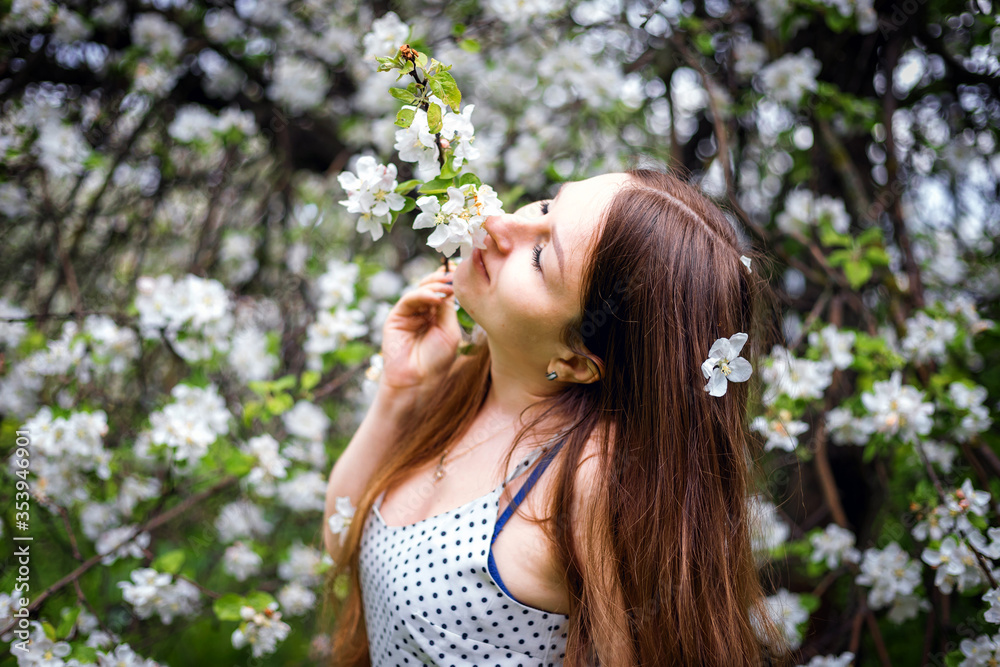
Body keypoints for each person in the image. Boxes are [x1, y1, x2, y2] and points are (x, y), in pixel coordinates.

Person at [322, 168, 792, 666]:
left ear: (575, 362)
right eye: (547, 206)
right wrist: (400, 393)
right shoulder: (462, 384)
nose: (498, 224)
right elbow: (342, 540)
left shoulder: (589, 476)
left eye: (542, 256)